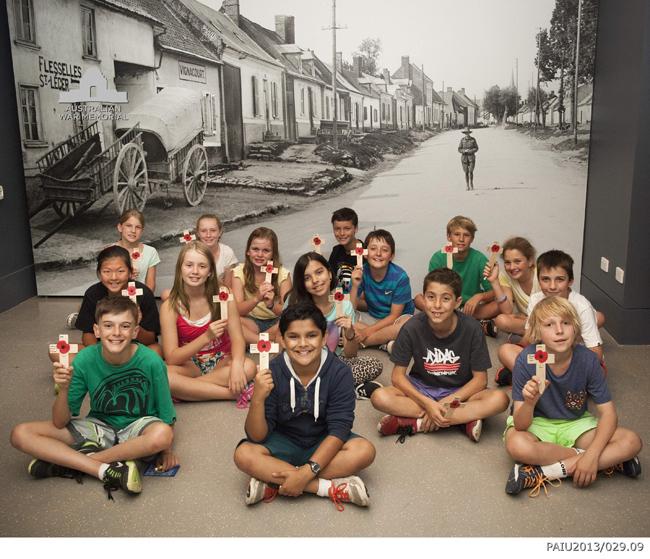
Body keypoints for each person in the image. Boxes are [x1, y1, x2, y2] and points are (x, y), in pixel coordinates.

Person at [11, 296, 177, 500]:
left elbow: (166, 414)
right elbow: (59, 421)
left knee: (162, 435)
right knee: (21, 433)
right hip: (99, 427)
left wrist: (166, 451)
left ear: (135, 331)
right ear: (97, 330)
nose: (116, 333)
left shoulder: (151, 361)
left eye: (125, 326)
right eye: (108, 325)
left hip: (138, 428)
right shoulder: (84, 359)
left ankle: (74, 464)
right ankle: (106, 470)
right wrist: (64, 389)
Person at [233, 302, 376, 510]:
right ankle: (326, 487)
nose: (303, 344)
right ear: (281, 339)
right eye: (293, 337)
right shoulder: (272, 371)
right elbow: (257, 436)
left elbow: (339, 429)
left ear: (324, 337)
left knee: (364, 451)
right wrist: (257, 398)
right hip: (283, 441)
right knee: (243, 454)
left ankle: (274, 482)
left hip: (323, 441)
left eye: (311, 335)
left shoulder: (339, 372)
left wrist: (307, 471)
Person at [504, 296, 642, 497]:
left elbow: (609, 414)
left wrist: (592, 455)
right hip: (538, 423)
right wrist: (529, 402)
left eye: (566, 323)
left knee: (631, 441)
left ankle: (545, 472)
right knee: (517, 445)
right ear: (537, 331)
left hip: (576, 423)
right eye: (549, 325)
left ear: (575, 328)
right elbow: (521, 425)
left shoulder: (587, 360)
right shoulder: (527, 360)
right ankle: (605, 461)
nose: (559, 331)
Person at [371, 268, 509, 443]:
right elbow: (397, 377)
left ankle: (417, 423)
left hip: (459, 392)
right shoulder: (412, 327)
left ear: (457, 302)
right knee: (379, 397)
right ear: (423, 298)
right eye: (431, 297)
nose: (437, 305)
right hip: (422, 388)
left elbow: (480, 380)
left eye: (445, 299)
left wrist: (445, 403)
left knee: (499, 399)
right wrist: (429, 404)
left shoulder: (472, 329)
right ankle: (460, 420)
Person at [160, 240, 256, 401]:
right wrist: (206, 337)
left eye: (202, 266)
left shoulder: (224, 295)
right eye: (189, 265)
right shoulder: (169, 306)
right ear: (180, 269)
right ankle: (231, 394)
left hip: (221, 360)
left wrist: (238, 365)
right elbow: (172, 358)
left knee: (249, 367)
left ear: (210, 271)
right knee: (163, 376)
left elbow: (238, 339)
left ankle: (186, 390)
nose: (195, 271)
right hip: (189, 365)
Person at [497, 250, 605, 386]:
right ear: (538, 280)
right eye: (545, 279)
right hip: (545, 356)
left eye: (560, 279)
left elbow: (596, 353)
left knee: (596, 374)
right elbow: (530, 338)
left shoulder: (581, 306)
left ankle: (529, 380)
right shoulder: (536, 300)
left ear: (570, 281)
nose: (552, 286)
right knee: (505, 350)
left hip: (573, 358)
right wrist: (520, 353)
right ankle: (548, 385)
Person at [287, 252, 383, 398]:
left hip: (334, 364)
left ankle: (324, 389)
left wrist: (349, 331)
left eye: (319, 272)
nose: (315, 280)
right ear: (302, 284)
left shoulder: (344, 306)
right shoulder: (297, 306)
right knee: (284, 375)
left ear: (330, 274)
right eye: (307, 278)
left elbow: (350, 354)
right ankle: (342, 389)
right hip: (305, 363)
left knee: (374, 364)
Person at [63, 245, 160, 358]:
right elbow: (88, 334)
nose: (114, 277)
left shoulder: (143, 293)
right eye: (107, 271)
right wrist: (102, 355)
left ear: (130, 272)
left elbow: (150, 340)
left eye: (120, 271)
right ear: (99, 274)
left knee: (156, 351)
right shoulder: (92, 294)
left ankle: (112, 371)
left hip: (134, 349)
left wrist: (136, 324)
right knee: (57, 351)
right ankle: (116, 369)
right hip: (103, 348)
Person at [415, 215, 497, 335]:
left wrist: (479, 297)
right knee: (418, 299)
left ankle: (453, 321)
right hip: (443, 304)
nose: (461, 239)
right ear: (449, 237)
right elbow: (431, 290)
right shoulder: (438, 257)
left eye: (466, 235)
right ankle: (471, 323)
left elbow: (493, 292)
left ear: (472, 238)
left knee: (498, 305)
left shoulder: (479, 259)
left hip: (469, 308)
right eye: (457, 234)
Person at [350, 229, 414, 349]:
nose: (378, 253)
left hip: (397, 319)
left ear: (392, 256)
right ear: (365, 253)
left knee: (407, 326)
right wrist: (355, 285)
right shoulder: (361, 273)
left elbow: (394, 315)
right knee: (343, 320)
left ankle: (367, 342)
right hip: (373, 316)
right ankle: (385, 343)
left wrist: (367, 332)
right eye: (373, 248)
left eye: (384, 250)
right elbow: (350, 309)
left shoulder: (400, 277)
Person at [232, 227, 292, 344]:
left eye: (266, 250)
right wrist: (256, 298)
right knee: (229, 319)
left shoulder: (283, 275)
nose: (260, 254)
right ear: (248, 251)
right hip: (252, 323)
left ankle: (252, 340)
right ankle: (264, 341)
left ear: (273, 254)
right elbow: (237, 310)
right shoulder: (239, 272)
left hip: (276, 322)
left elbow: (288, 312)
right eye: (255, 249)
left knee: (292, 320)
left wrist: (271, 305)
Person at [484, 237, 540, 337]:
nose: (512, 267)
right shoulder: (505, 276)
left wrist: (527, 318)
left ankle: (529, 337)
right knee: (501, 320)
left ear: (530, 261)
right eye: (507, 262)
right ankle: (533, 336)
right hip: (529, 323)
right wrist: (494, 281)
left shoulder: (541, 275)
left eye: (517, 261)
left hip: (548, 322)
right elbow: (507, 311)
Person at [114, 209, 160, 292]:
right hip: (116, 299)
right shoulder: (110, 251)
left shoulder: (150, 252)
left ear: (142, 231)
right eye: (129, 226)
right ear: (120, 227)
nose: (133, 231)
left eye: (138, 227)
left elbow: (150, 286)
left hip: (142, 299)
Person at [328, 207, 362, 294]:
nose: (342, 233)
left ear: (356, 228)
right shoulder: (336, 251)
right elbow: (330, 278)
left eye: (347, 228)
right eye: (337, 229)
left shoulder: (366, 252)